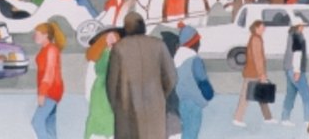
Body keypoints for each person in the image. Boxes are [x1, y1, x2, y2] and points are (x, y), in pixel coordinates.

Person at [106, 10, 177, 139]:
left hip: (127, 109)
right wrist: (160, 95)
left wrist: (117, 107)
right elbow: (171, 77)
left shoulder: (119, 48)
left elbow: (111, 84)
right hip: (154, 108)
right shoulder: (159, 45)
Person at [232, 19, 276, 127]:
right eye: (262, 27)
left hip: (254, 72)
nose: (264, 29)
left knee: (262, 94)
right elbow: (258, 58)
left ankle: (268, 117)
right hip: (253, 72)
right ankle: (237, 118)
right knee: (246, 96)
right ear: (256, 28)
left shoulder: (256, 38)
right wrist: (261, 74)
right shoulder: (256, 39)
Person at [174, 24, 215, 139]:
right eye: (198, 42)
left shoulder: (175, 58)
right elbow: (202, 80)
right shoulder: (194, 59)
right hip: (192, 101)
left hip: (177, 100)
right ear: (193, 43)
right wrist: (209, 94)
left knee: (182, 131)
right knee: (191, 132)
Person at [84, 26, 122, 139]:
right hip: (100, 87)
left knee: (112, 114)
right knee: (97, 112)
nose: (110, 40)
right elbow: (98, 69)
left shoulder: (120, 53)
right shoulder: (101, 53)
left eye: (113, 37)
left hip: (114, 86)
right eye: (108, 37)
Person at [32, 21, 65, 139]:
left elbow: (49, 73)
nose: (34, 37)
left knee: (37, 121)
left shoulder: (51, 49)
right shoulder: (46, 49)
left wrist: (42, 93)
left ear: (46, 35)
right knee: (49, 123)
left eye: (37, 34)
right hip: (51, 89)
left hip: (51, 90)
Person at [280, 14, 309, 127]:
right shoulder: (298, 36)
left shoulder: (290, 35)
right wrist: (297, 71)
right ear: (298, 27)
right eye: (302, 26)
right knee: (307, 95)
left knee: (290, 94)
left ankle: (285, 118)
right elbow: (297, 54)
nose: (303, 27)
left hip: (288, 68)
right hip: (295, 70)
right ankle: (308, 120)